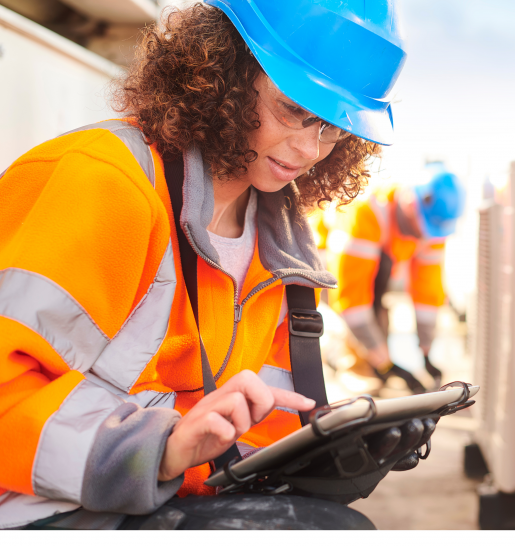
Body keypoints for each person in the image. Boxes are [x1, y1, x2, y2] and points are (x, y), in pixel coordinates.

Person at [0, 0, 407, 529]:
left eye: (333, 128)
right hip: (41, 509)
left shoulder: (282, 246)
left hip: (163, 499)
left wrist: (330, 453)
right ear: (224, 75)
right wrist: (162, 448)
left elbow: (260, 433)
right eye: (294, 108)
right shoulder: (102, 182)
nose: (310, 148)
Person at [324, 162, 466, 393]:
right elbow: (350, 296)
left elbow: (427, 292)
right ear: (410, 203)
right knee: (364, 300)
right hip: (322, 268)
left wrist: (427, 353)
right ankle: (350, 363)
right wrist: (385, 364)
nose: (425, 236)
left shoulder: (432, 227)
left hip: (370, 273)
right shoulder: (365, 210)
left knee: (382, 281)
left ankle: (370, 360)